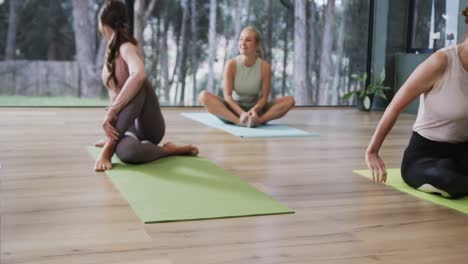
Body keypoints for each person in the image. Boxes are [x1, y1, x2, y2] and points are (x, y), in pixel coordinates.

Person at [365, 8, 468, 198]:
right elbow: (395, 106)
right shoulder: (442, 61)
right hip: (425, 157)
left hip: (462, 153)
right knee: (448, 179)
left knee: (456, 174)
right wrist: (372, 151)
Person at [94, 0, 198, 171]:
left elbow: (140, 74)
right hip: (129, 128)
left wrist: (112, 113)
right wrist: (112, 129)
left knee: (137, 83)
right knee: (128, 153)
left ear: (102, 23)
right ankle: (167, 151)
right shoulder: (109, 54)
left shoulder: (127, 47)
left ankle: (110, 147)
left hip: (149, 125)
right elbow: (114, 96)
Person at [199, 26, 295, 127]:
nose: (243, 43)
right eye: (241, 39)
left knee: (290, 100)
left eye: (248, 40)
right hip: (233, 110)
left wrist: (253, 111)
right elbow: (227, 96)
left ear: (257, 44)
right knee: (203, 96)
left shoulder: (265, 67)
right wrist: (241, 114)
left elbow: (263, 97)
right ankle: (239, 122)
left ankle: (258, 121)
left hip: (256, 112)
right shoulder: (231, 65)